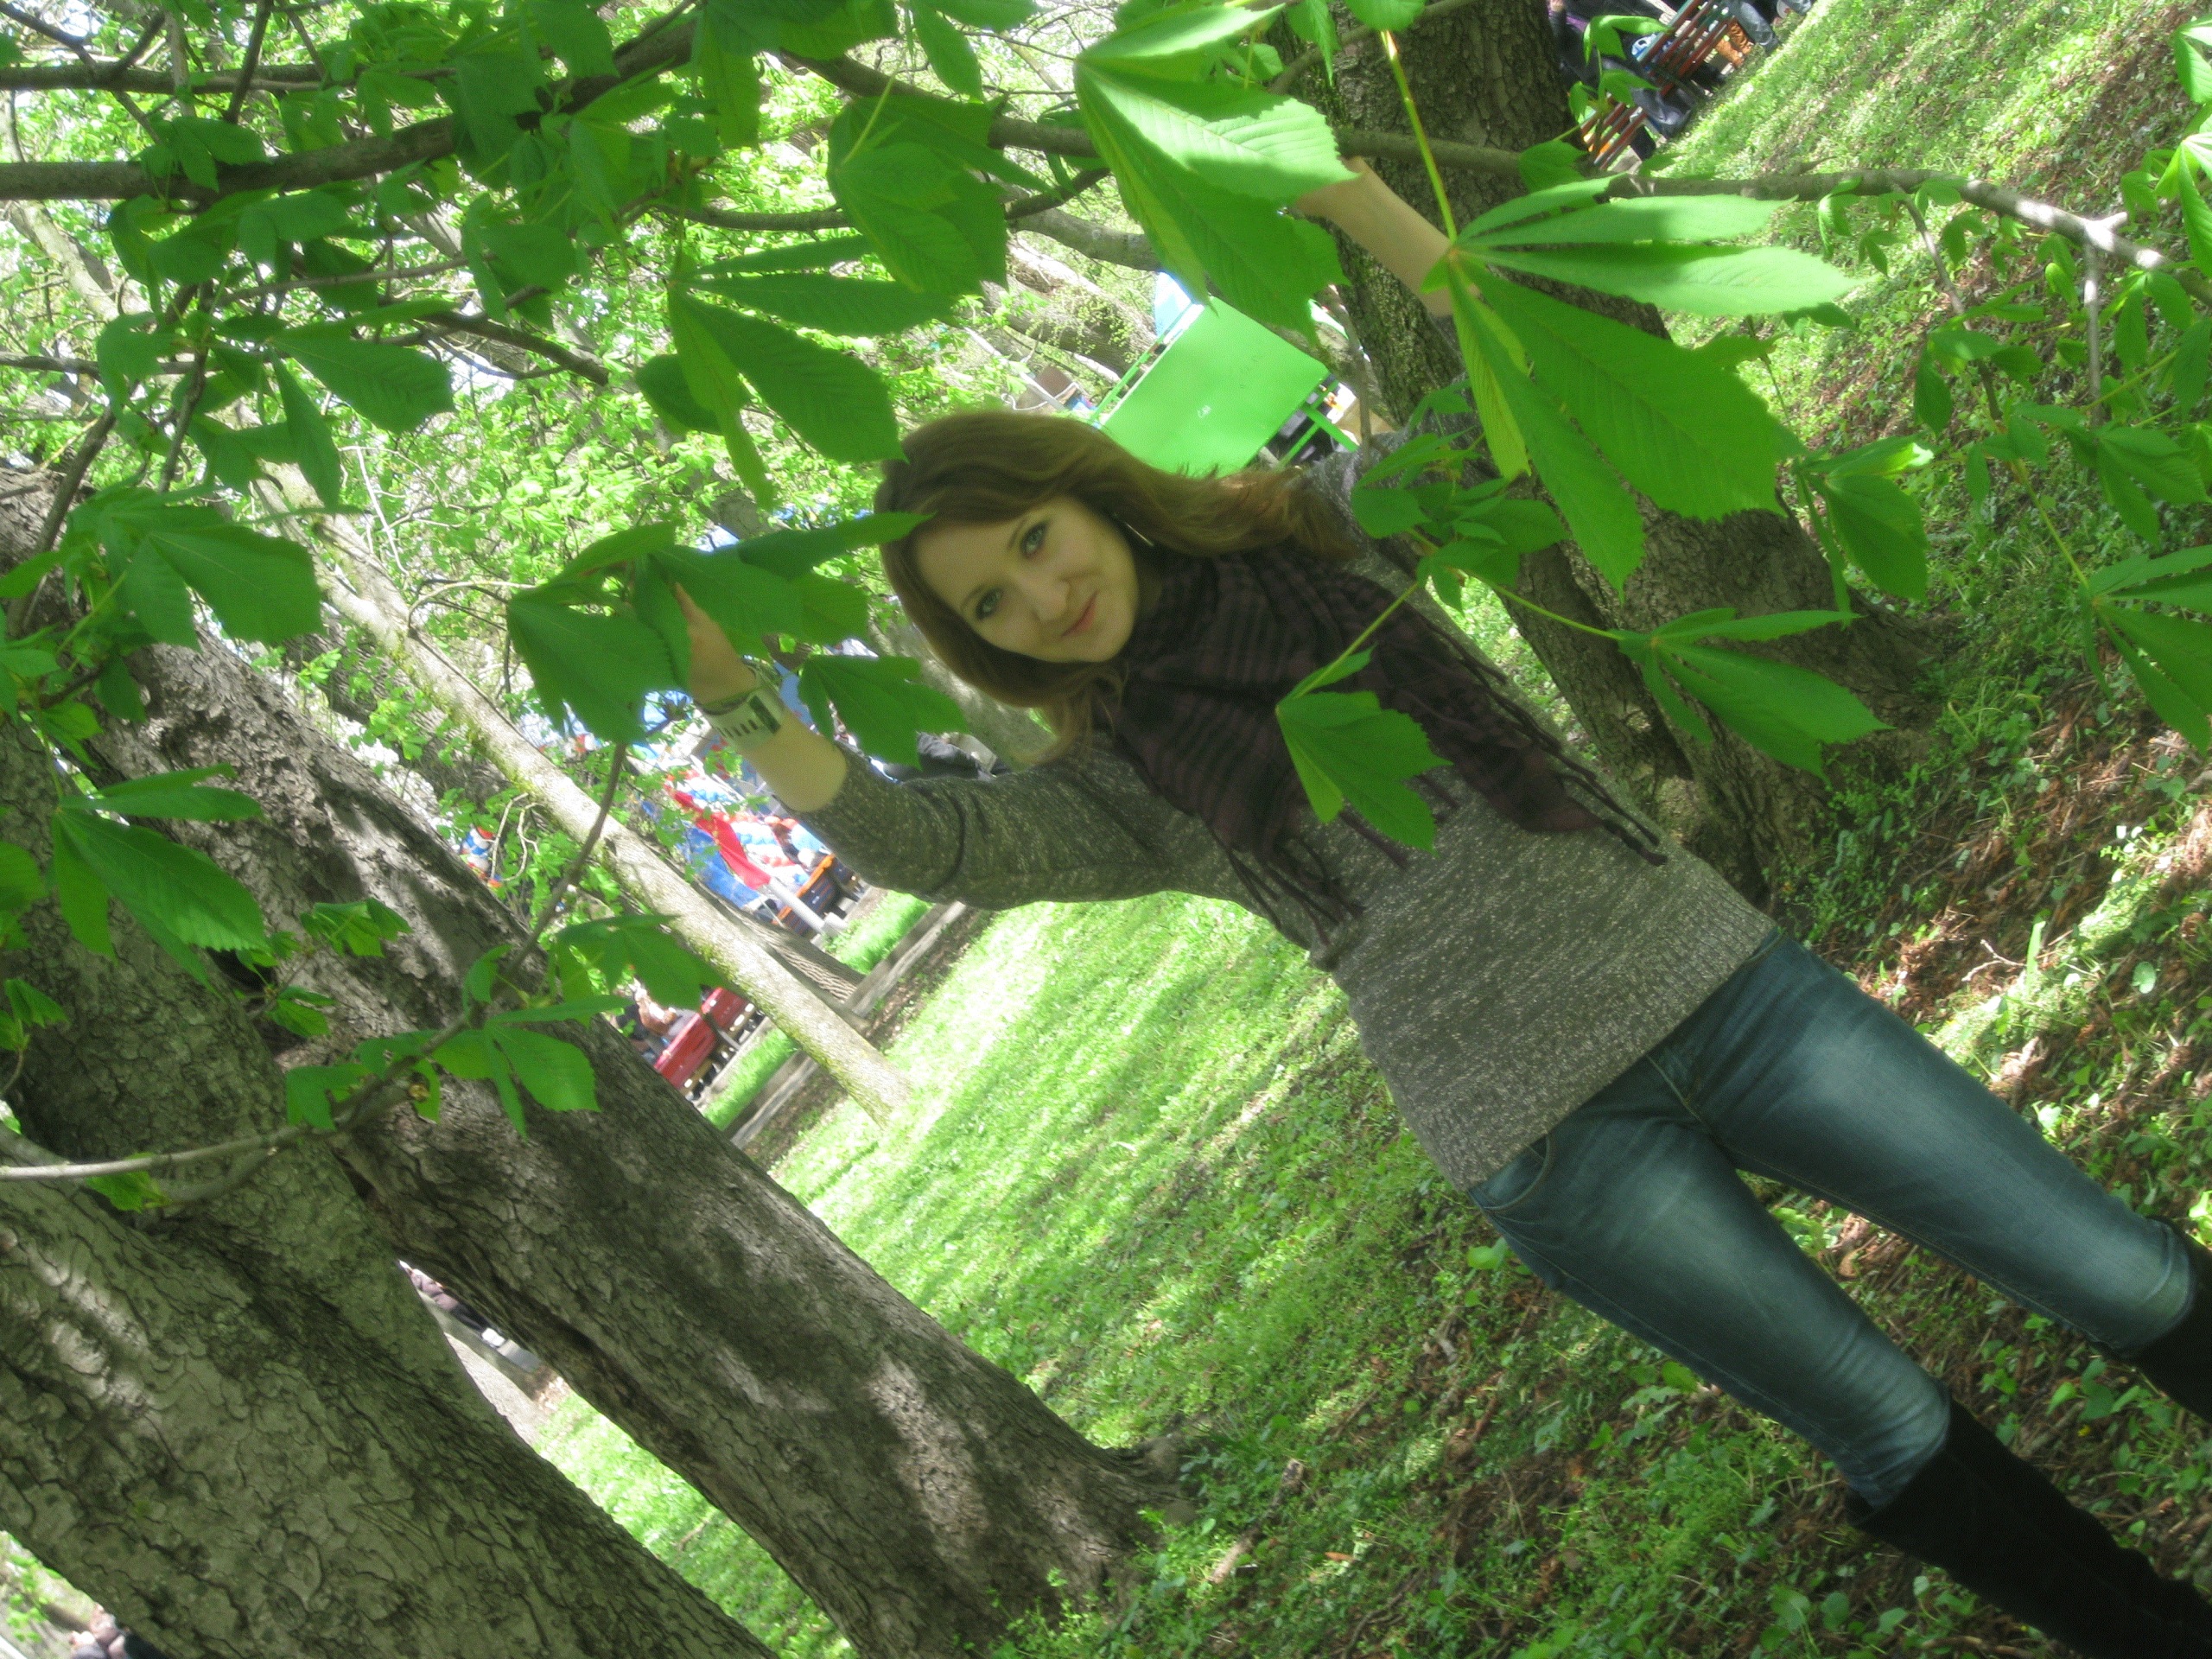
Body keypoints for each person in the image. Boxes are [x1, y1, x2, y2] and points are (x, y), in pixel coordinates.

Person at [673, 157, 2212, 1656]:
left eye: (1031, 540)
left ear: (1084, 491)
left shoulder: (1318, 531)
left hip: (1727, 993)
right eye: (992, 607)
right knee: (1889, 1428)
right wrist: (731, 692)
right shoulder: (1114, 783)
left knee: (2118, 1272)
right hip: (1548, 1145)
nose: (1043, 597)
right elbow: (913, 837)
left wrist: (1357, 201)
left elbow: (1504, 396)